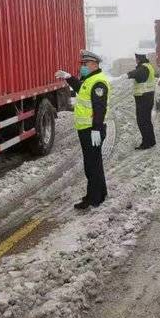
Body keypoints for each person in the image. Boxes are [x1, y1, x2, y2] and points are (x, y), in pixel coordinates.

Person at [55, 50, 111, 210]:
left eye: (85, 64)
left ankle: (93, 199)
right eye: (82, 64)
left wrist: (96, 129)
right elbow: (81, 89)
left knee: (91, 165)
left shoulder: (98, 82)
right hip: (87, 129)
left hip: (91, 130)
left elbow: (100, 108)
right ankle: (100, 194)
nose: (83, 67)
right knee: (95, 163)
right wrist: (69, 78)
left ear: (94, 64)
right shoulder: (91, 79)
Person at [127, 51, 156, 149]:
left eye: (136, 59)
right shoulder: (148, 66)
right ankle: (151, 141)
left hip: (143, 98)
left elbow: (136, 73)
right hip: (148, 97)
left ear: (139, 59)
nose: (135, 60)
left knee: (142, 121)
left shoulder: (143, 68)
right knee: (147, 120)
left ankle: (146, 143)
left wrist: (128, 74)